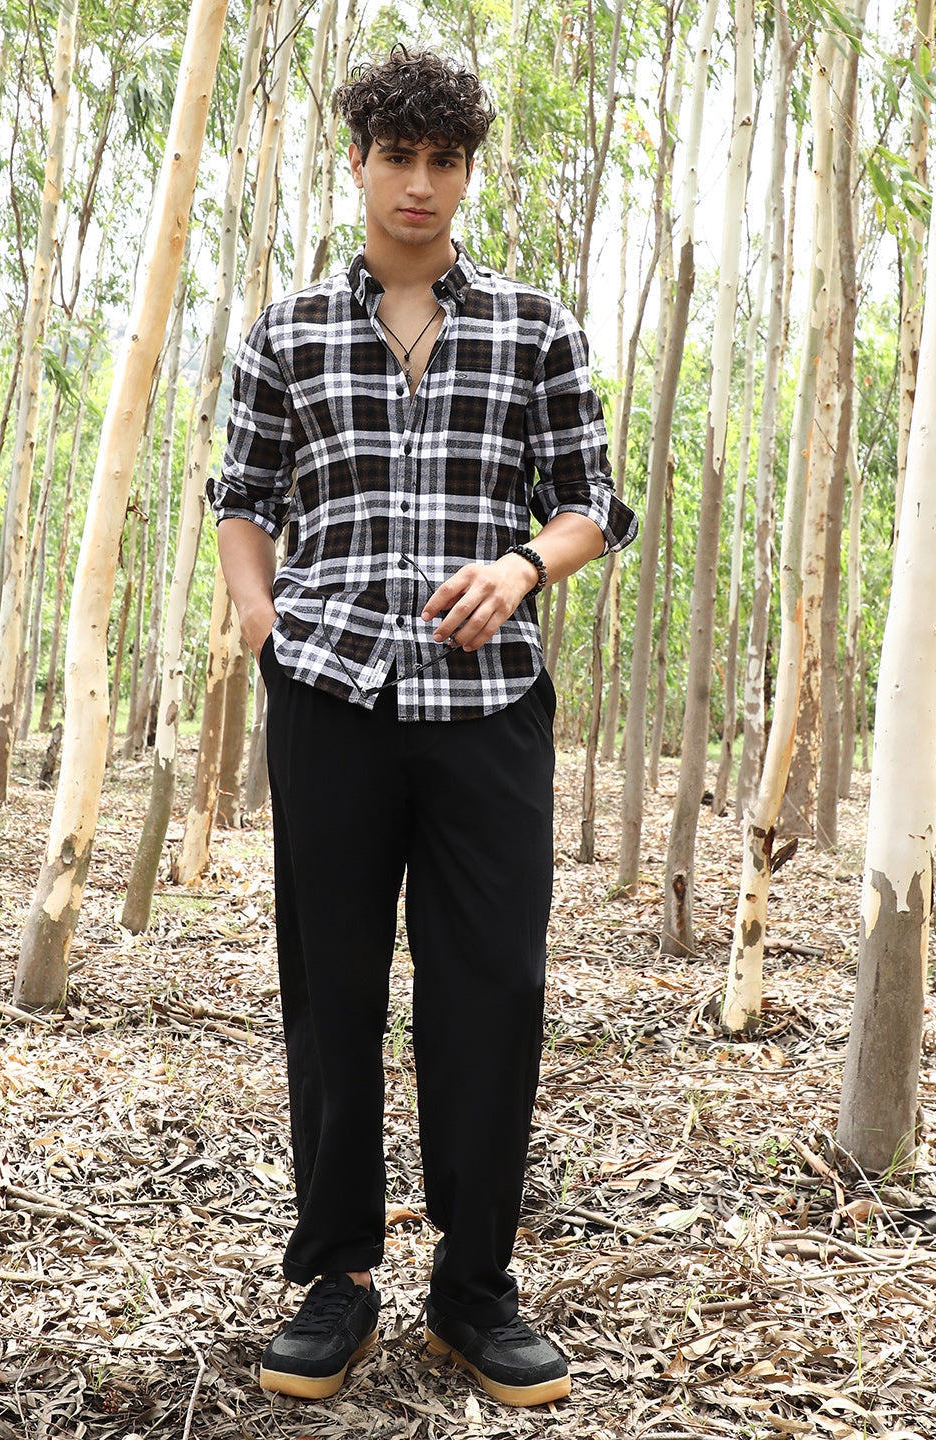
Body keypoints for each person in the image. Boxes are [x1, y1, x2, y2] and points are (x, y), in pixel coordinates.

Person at [208, 45, 638, 1408]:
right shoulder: (288, 332)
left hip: (486, 706)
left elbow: (593, 502)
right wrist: (263, 624)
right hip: (329, 696)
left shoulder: (532, 326)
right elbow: (242, 493)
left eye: (444, 161)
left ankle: (474, 1287)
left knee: (492, 991)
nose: (419, 183)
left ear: (466, 174)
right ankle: (336, 1277)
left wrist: (522, 566)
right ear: (359, 163)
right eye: (397, 156)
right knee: (331, 989)